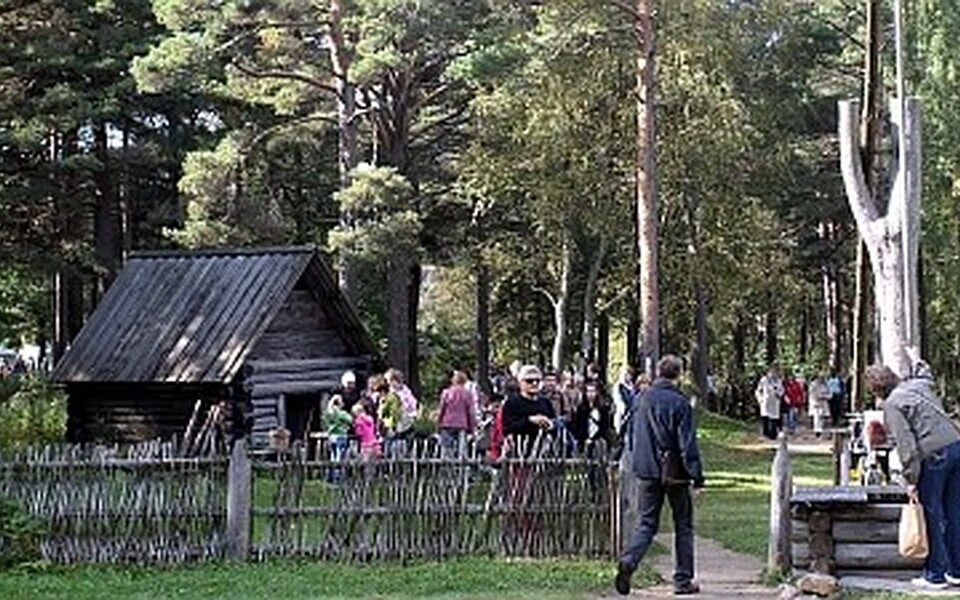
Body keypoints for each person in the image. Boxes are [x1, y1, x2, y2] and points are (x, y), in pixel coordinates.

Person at [616, 354, 705, 596]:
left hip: (645, 469)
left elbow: (629, 433)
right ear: (679, 374)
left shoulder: (641, 399)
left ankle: (630, 560)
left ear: (658, 372)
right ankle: (682, 579)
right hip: (674, 471)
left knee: (646, 524)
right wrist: (697, 477)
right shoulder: (680, 403)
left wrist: (633, 460)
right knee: (683, 525)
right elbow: (687, 445)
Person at [866, 364, 960, 590]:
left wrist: (910, 479)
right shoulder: (920, 387)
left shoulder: (893, 405)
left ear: (876, 389)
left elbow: (906, 446)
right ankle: (956, 570)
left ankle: (935, 574)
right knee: (954, 511)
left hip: (934, 456)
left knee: (931, 513)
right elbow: (926, 372)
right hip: (956, 446)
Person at [501, 364, 556, 452]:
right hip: (518, 452)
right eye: (529, 381)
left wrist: (549, 424)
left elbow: (554, 424)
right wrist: (530, 420)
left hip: (543, 451)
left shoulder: (545, 402)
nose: (534, 383)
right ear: (520, 383)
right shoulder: (512, 403)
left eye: (537, 380)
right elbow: (507, 428)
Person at [437, 370, 477, 456]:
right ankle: (460, 466)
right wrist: (472, 426)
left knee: (447, 449)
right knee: (461, 450)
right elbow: (471, 412)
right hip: (462, 424)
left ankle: (447, 466)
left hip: (447, 423)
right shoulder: (467, 394)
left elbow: (441, 409)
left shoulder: (446, 392)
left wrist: (438, 422)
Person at [755, 364, 784, 440]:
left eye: (776, 371)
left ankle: (773, 435)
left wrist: (779, 394)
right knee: (766, 418)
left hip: (775, 402)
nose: (774, 373)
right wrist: (760, 399)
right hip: (766, 402)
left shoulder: (779, 380)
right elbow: (758, 391)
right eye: (773, 371)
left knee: (774, 418)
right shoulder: (764, 380)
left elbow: (782, 390)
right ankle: (766, 434)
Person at [808, 371, 831, 437]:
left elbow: (829, 393)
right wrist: (821, 396)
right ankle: (817, 430)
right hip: (816, 403)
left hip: (823, 403)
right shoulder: (813, 384)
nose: (822, 379)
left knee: (822, 417)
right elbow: (813, 394)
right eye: (821, 377)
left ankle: (821, 429)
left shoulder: (825, 384)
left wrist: (826, 396)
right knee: (817, 417)